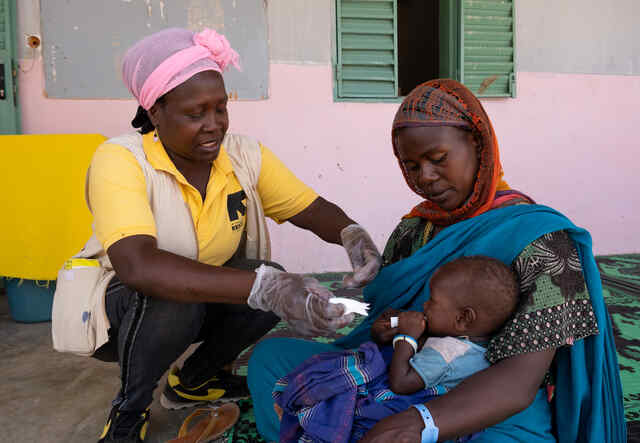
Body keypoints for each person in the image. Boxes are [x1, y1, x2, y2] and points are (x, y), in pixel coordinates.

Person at [248, 79, 627, 442]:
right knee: (271, 360)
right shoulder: (415, 228)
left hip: (480, 405)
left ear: (479, 145)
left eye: (438, 159)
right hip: (400, 374)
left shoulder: (543, 240)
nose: (425, 177)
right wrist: (377, 322)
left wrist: (419, 423)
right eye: (411, 166)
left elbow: (517, 382)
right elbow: (393, 324)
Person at [64, 28, 381, 443]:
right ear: (155, 111)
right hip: (125, 307)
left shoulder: (243, 155)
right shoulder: (121, 160)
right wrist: (266, 288)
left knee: (268, 273)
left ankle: (193, 381)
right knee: (195, 295)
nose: (213, 125)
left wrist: (352, 235)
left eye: (221, 109)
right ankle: (129, 409)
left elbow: (310, 208)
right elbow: (138, 265)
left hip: (198, 294)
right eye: (196, 114)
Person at [272, 256, 519, 443]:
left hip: (409, 404)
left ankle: (307, 409)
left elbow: (401, 383)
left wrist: (405, 338)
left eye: (433, 301)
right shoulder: (471, 346)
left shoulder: (448, 353)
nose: (425, 305)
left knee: (351, 375)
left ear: (464, 318)